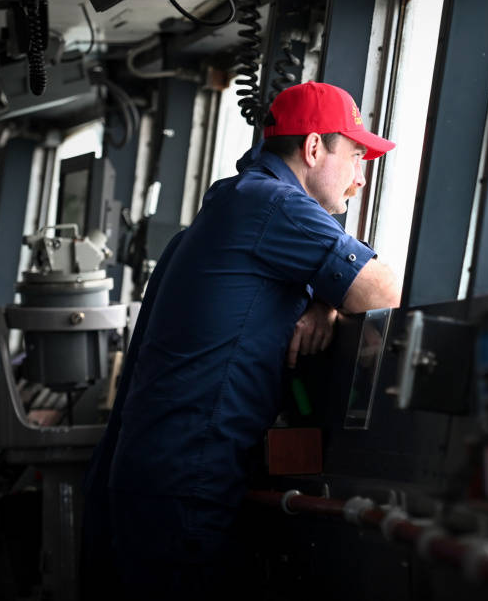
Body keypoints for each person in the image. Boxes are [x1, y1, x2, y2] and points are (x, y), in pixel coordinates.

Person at [80, 82, 401, 600]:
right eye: (357, 156)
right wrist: (334, 293)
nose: (361, 180)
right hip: (188, 480)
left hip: (159, 473)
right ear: (314, 148)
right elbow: (383, 289)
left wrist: (322, 298)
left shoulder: (235, 202)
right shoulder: (274, 205)